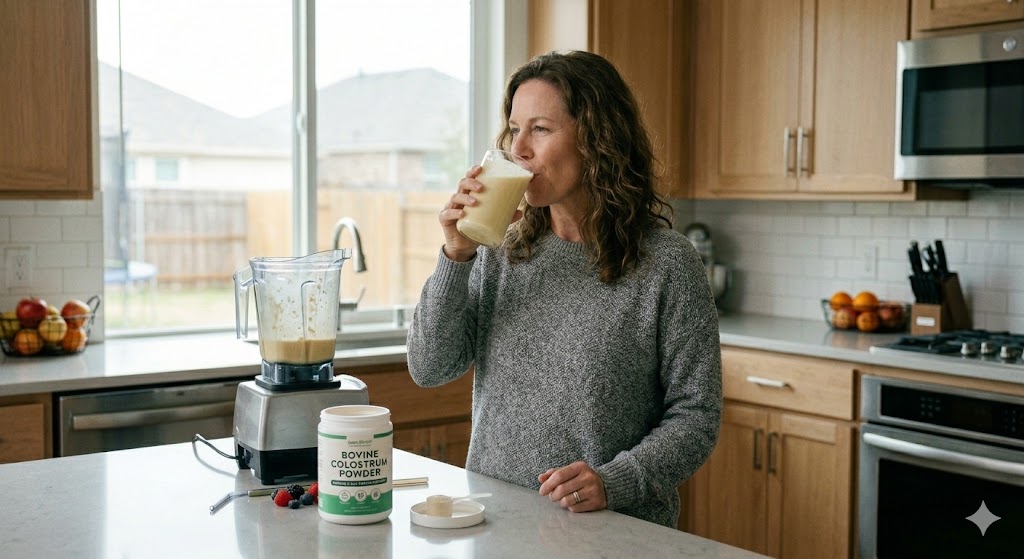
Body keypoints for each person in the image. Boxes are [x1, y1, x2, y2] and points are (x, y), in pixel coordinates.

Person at [406, 50, 722, 528]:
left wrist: (615, 480)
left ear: (597, 140)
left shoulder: (667, 264)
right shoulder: (500, 252)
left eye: (541, 129)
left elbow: (696, 415)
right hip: (498, 523)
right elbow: (429, 367)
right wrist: (456, 255)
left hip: (612, 531)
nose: (520, 151)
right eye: (515, 130)